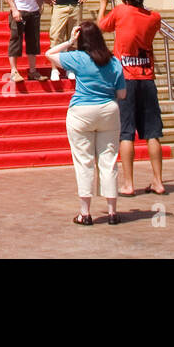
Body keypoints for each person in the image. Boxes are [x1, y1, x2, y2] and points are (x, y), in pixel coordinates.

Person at [48, 20, 126, 225]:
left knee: (84, 161)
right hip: (109, 110)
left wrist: (69, 41)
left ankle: (85, 212)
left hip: (82, 111)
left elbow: (50, 54)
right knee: (108, 161)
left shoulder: (79, 58)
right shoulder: (114, 61)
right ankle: (112, 212)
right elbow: (122, 93)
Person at [98, 0, 164, 195]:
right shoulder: (154, 17)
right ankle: (158, 181)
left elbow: (103, 25)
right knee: (152, 133)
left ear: (125, 0)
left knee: (126, 133)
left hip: (126, 79)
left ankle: (128, 183)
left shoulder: (120, 11)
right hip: (147, 77)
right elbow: (137, 14)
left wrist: (103, 2)